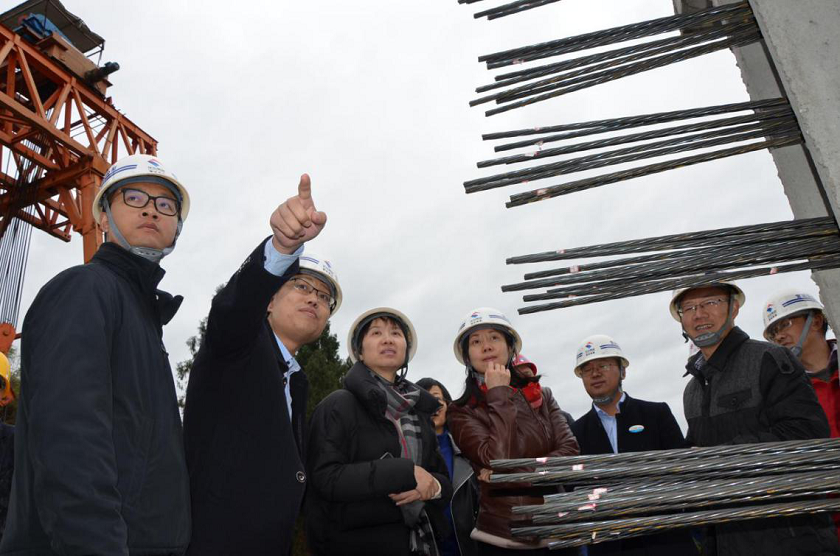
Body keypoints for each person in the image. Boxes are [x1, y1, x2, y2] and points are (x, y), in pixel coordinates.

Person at [0, 154, 192, 555]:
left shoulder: (144, 319)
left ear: (177, 227)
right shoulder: (83, 291)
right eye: (134, 197)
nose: (151, 210)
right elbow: (70, 445)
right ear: (103, 216)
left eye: (165, 204)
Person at [183, 174, 340, 555]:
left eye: (325, 297)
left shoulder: (295, 381)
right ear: (268, 301)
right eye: (302, 286)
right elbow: (234, 309)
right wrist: (282, 248)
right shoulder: (238, 346)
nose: (315, 299)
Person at [671, 281, 839, 556]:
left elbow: (807, 434)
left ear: (734, 308)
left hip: (791, 539)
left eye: (710, 302)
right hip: (727, 540)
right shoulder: (693, 389)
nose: (698, 314)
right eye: (688, 308)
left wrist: (717, 458)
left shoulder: (769, 359)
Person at [306, 308, 453, 555]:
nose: (387, 339)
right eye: (376, 333)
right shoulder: (339, 404)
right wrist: (404, 473)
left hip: (422, 542)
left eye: (396, 333)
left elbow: (444, 480)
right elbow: (324, 478)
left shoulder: (420, 412)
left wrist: (433, 486)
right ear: (360, 352)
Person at [447, 308, 579, 555]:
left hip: (557, 528)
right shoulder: (461, 411)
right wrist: (498, 393)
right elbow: (500, 460)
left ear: (510, 347)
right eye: (476, 342)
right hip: (502, 537)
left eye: (494, 337)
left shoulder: (543, 396)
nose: (486, 346)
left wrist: (509, 475)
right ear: (467, 356)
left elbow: (570, 454)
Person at [570, 335, 697, 556]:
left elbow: (684, 473)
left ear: (623, 371)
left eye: (603, 365)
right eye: (587, 369)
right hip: (609, 546)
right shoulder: (574, 433)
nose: (595, 374)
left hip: (666, 542)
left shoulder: (656, 415)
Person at [763, 290, 840, 541]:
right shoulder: (780, 393)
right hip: (825, 521)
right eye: (772, 333)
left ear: (815, 321)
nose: (779, 336)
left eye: (785, 324)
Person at [417, 377, 479, 556]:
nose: (432, 404)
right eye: (424, 398)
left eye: (437, 398)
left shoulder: (468, 445)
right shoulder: (409, 451)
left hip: (468, 543)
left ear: (447, 404)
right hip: (427, 543)